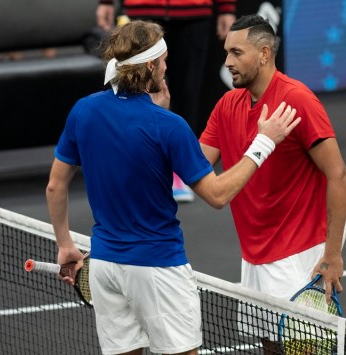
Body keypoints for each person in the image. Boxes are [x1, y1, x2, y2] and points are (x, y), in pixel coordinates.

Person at [46, 20, 300, 355]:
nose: (167, 66)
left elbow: (55, 186)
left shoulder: (84, 110)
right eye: (163, 60)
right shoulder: (169, 127)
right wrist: (263, 143)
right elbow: (217, 194)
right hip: (158, 268)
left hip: (106, 268)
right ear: (150, 66)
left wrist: (65, 244)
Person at [198, 15, 346, 353]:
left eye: (237, 53)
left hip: (298, 255)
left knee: (305, 350)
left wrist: (334, 252)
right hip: (253, 256)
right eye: (226, 53)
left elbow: (338, 174)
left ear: (264, 54)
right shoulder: (227, 105)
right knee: (271, 347)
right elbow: (193, 167)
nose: (227, 62)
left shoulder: (298, 100)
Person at [96, 0, 237, 203]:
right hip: (143, 9)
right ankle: (140, 168)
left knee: (187, 93)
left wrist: (226, 7)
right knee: (139, 91)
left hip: (193, 12)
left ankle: (178, 172)